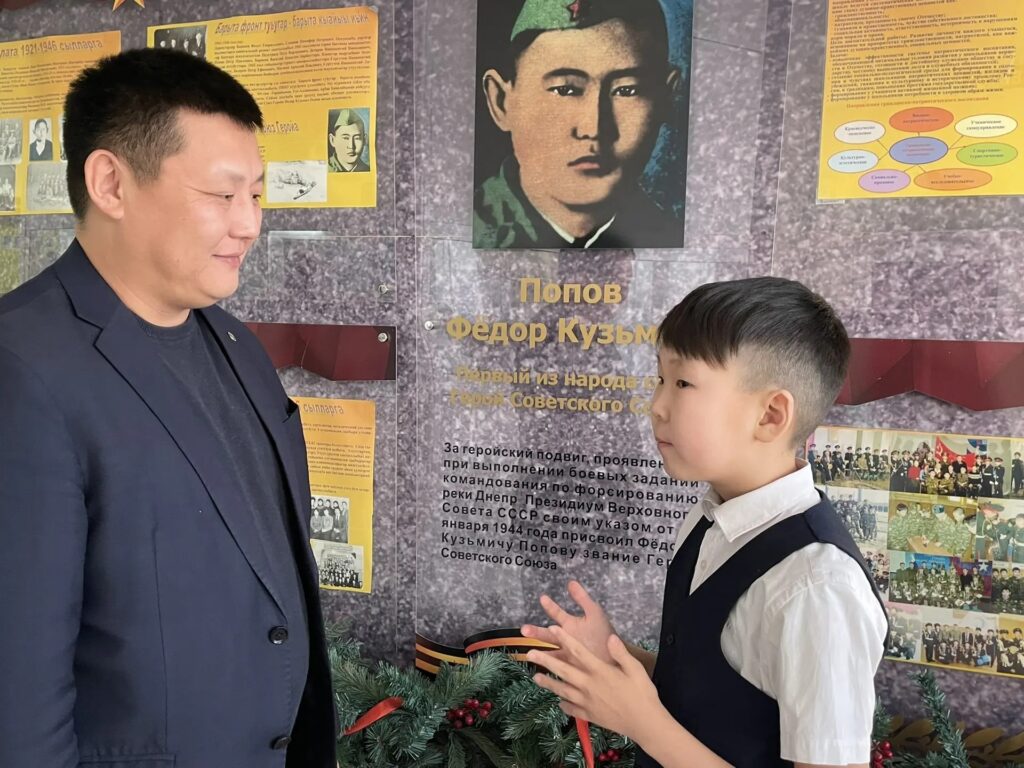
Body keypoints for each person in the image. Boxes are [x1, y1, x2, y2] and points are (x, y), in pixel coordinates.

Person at [0, 49, 336, 767]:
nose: (249, 224)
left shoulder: (236, 344)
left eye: (257, 194)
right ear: (111, 183)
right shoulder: (21, 368)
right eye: (222, 195)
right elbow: (16, 697)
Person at [521, 277, 887, 766]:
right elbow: (717, 696)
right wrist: (617, 659)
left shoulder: (817, 587)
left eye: (683, 383)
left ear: (770, 415)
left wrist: (643, 723)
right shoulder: (710, 516)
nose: (657, 406)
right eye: (660, 379)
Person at [473, 0, 684, 249]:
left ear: (666, 98)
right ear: (502, 102)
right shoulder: (462, 232)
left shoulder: (671, 238)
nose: (593, 129)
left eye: (626, 90)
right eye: (565, 90)